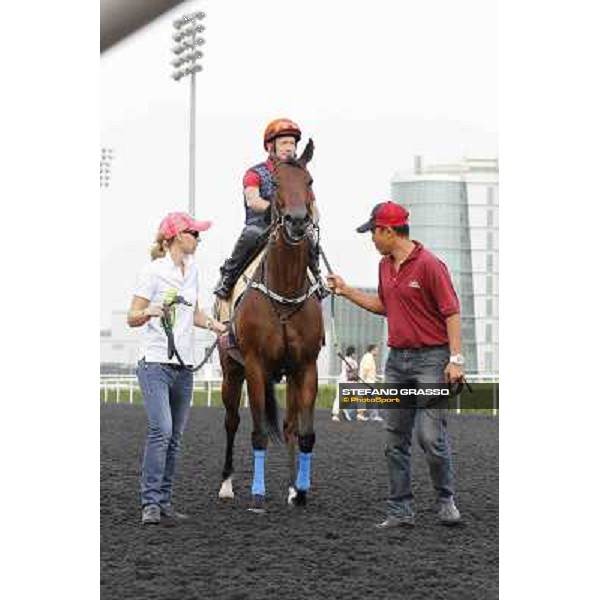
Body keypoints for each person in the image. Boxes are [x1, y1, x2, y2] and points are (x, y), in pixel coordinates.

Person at [327, 201, 464, 527]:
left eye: (373, 232)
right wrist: (346, 291)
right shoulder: (384, 266)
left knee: (430, 437)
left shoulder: (430, 265)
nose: (371, 239)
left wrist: (456, 359)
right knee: (394, 439)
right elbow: (383, 305)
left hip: (432, 360)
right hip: (397, 362)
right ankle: (400, 510)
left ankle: (446, 499)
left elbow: (452, 312)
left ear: (388, 231)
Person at [127, 212, 227, 525]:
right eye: (194, 233)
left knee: (175, 437)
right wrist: (150, 311)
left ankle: (165, 502)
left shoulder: (193, 270)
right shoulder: (153, 272)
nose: (198, 238)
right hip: (155, 363)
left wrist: (214, 326)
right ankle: (150, 504)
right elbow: (132, 316)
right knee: (162, 430)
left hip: (183, 367)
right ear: (175, 237)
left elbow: (193, 314)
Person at [213, 118, 328, 303]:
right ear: (270, 146)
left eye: (292, 143)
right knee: (250, 235)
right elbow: (253, 201)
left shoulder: (299, 175)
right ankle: (228, 277)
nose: (289, 147)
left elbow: (313, 207)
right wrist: (278, 211)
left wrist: (311, 220)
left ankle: (317, 280)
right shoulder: (255, 172)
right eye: (284, 143)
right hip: (262, 224)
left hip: (292, 225)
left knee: (311, 240)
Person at [331, 346, 359, 421]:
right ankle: (347, 411)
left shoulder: (344, 360)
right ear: (352, 353)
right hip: (348, 381)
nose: (355, 355)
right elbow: (353, 374)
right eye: (354, 353)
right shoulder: (354, 362)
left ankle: (335, 414)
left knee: (338, 397)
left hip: (341, 379)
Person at [359, 344, 383, 422]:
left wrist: (376, 377)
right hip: (368, 382)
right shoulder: (369, 357)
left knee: (367, 399)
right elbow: (366, 370)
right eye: (377, 350)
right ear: (372, 350)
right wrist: (365, 381)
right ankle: (374, 415)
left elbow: (370, 371)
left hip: (368, 381)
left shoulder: (367, 357)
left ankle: (370, 415)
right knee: (373, 399)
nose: (378, 352)